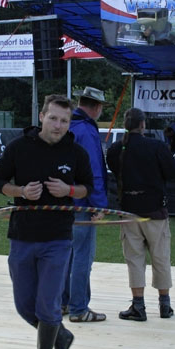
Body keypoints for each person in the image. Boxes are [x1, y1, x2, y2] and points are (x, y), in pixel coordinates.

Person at [0, 94, 93, 349]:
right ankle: (62, 336)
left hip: (58, 238)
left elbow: (87, 187)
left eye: (65, 120)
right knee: (25, 306)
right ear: (41, 117)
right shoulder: (18, 147)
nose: (58, 125)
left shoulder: (76, 153)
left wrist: (68, 191)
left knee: (48, 304)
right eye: (53, 118)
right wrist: (21, 192)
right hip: (22, 236)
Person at [106, 108, 175, 321]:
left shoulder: (115, 149)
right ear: (142, 125)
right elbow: (174, 173)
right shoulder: (156, 146)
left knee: (134, 259)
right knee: (161, 257)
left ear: (125, 125)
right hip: (155, 210)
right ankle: (164, 304)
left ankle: (138, 305)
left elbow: (115, 171)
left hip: (129, 210)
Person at [63, 86, 109, 323]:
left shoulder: (65, 125)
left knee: (67, 255)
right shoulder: (87, 131)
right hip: (82, 203)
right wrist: (99, 205)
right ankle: (79, 308)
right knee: (82, 256)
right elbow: (94, 172)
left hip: (63, 201)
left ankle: (63, 302)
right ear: (97, 107)